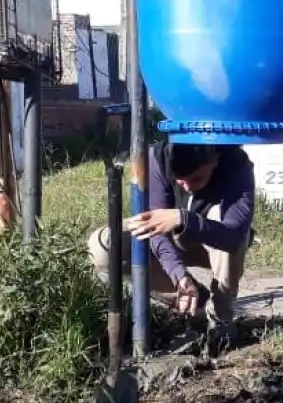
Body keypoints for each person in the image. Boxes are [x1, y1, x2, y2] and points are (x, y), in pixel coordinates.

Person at [87, 141, 255, 336]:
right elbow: (154, 229)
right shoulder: (157, 159)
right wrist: (179, 276)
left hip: (213, 241)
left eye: (197, 178)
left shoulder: (236, 165)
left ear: (215, 159)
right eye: (179, 181)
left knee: (222, 217)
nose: (187, 186)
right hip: (172, 239)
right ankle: (190, 296)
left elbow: (233, 235)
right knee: (102, 245)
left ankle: (220, 319)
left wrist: (182, 218)